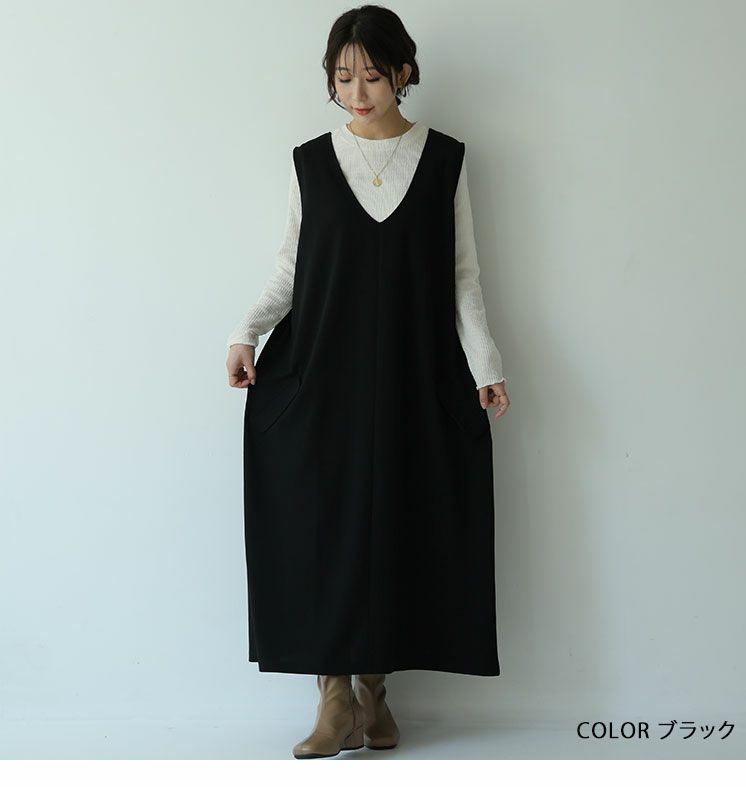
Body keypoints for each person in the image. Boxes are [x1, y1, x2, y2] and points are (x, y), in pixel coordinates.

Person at [225, 5, 511, 759]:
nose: (356, 92)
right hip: (320, 374)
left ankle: (374, 696)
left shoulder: (444, 159)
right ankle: (333, 700)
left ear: (404, 73)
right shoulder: (311, 161)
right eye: (342, 77)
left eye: (372, 76)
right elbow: (290, 269)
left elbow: (462, 277)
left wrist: (485, 366)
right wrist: (245, 332)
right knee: (319, 528)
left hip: (412, 377)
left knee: (399, 524)